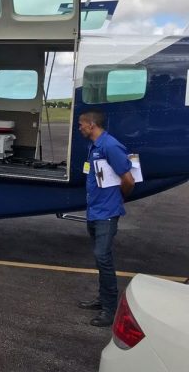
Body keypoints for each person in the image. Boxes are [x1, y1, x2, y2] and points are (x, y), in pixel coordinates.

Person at [77, 110, 135, 327]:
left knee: (103, 257)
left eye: (81, 124)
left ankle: (110, 309)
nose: (79, 127)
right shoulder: (94, 146)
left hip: (107, 213)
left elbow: (128, 179)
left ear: (92, 125)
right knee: (100, 257)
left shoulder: (110, 146)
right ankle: (102, 299)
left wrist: (117, 198)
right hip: (95, 211)